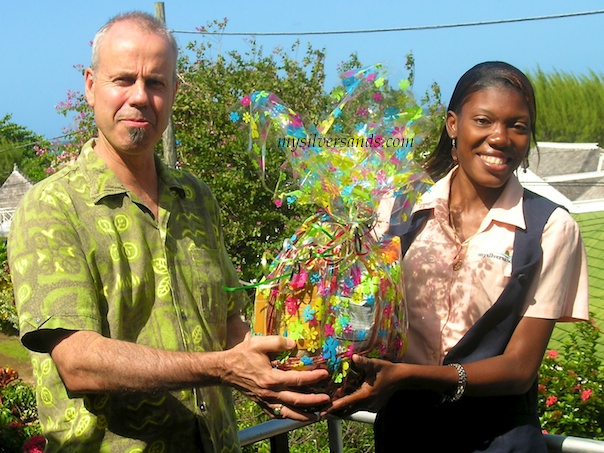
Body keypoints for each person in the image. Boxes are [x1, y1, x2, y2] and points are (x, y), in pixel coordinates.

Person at [7, 12, 330, 453]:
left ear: (174, 91)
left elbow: (228, 322)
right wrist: (222, 368)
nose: (139, 97)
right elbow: (78, 362)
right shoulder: (52, 208)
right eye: (122, 79)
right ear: (90, 85)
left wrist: (291, 367)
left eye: (156, 82)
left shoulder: (196, 197)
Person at [326, 61, 589, 452]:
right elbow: (366, 316)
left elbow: (520, 369)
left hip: (498, 439)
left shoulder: (550, 227)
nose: (500, 138)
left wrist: (407, 376)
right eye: (483, 120)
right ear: (453, 124)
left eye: (518, 126)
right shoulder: (398, 210)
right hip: (405, 434)